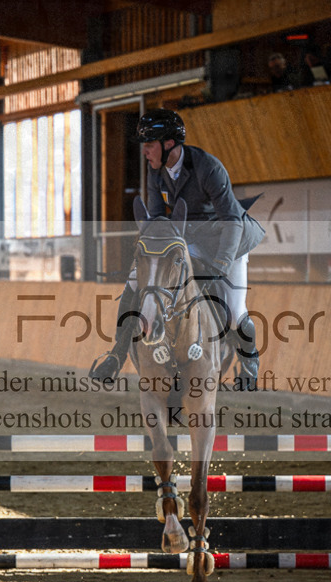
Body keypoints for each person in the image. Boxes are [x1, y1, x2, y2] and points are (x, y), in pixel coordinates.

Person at [89, 108, 265, 388]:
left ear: (168, 144)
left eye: (149, 144)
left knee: (233, 311)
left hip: (227, 239)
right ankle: (116, 355)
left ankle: (250, 361)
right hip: (188, 240)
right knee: (133, 283)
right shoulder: (156, 170)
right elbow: (158, 220)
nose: (145, 151)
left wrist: (220, 265)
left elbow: (232, 221)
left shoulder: (209, 168)